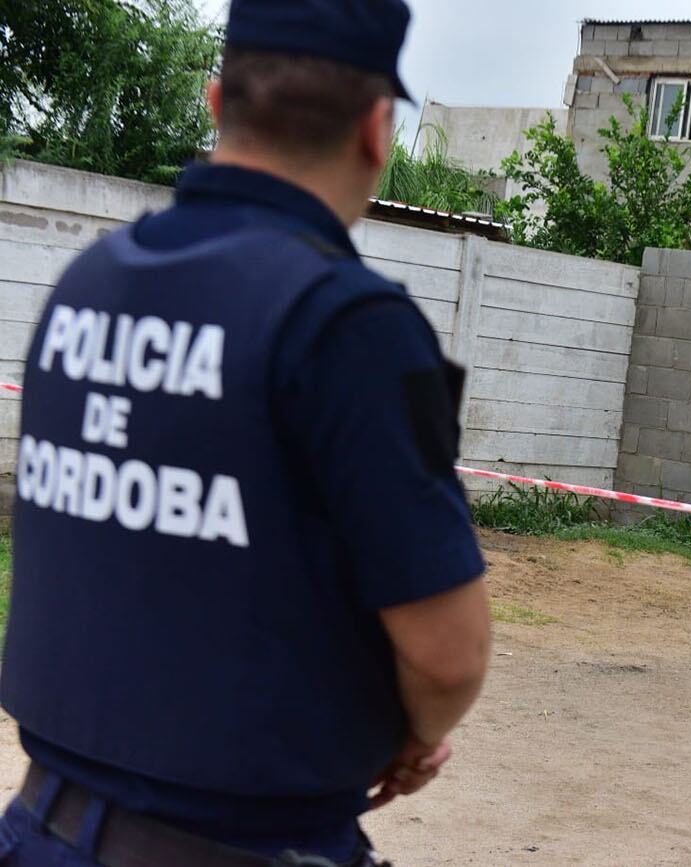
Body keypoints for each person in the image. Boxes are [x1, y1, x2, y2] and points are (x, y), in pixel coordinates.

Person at [0, 0, 491, 864]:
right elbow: (448, 655)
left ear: (216, 98)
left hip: (40, 829)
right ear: (377, 129)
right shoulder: (350, 322)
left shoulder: (88, 284)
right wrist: (412, 733)